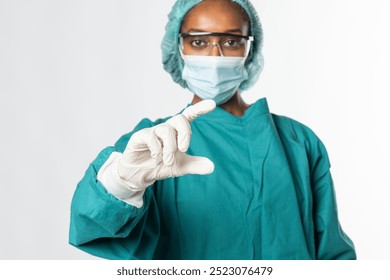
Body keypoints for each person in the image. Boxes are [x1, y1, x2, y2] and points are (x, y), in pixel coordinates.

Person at [69, 0, 356, 260]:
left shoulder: (298, 142)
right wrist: (123, 182)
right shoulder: (156, 142)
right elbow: (93, 225)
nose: (215, 56)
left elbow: (333, 255)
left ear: (250, 48)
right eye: (199, 42)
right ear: (179, 47)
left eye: (231, 41)